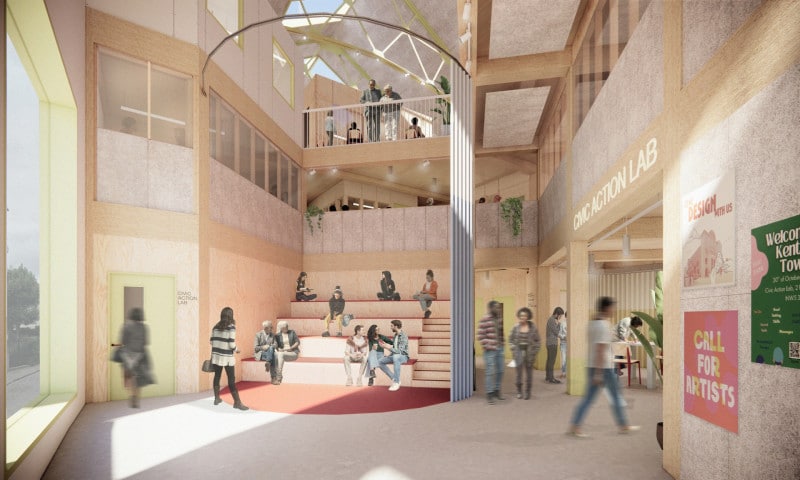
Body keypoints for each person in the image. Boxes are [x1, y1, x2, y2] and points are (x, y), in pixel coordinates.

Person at [569, 297, 639, 437]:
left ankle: (576, 425)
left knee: (594, 397)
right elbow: (600, 349)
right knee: (613, 395)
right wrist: (599, 374)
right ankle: (623, 425)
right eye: (612, 307)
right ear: (606, 308)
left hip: (592, 365)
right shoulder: (603, 325)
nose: (613, 310)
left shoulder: (591, 324)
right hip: (603, 368)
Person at [210, 307, 248, 410]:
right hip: (227, 358)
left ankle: (217, 398)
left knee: (217, 376)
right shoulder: (231, 327)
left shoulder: (215, 327)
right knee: (231, 380)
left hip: (216, 356)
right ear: (231, 315)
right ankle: (237, 403)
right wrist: (237, 349)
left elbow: (212, 342)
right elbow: (231, 344)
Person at [115, 307, 154, 408]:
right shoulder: (145, 327)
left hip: (127, 355)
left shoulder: (126, 326)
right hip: (140, 355)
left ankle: (131, 394)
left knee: (127, 377)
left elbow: (122, 342)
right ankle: (136, 396)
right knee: (139, 379)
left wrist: (114, 345)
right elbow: (146, 342)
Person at [509, 307, 541, 400]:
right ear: (519, 316)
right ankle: (519, 391)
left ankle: (528, 391)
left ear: (528, 317)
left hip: (529, 353)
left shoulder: (533, 327)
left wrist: (534, 352)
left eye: (525, 316)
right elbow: (510, 339)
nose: (523, 317)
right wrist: (513, 349)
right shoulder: (515, 327)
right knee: (518, 374)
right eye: (521, 315)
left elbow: (538, 341)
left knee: (529, 374)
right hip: (518, 353)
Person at [477, 301, 505, 404]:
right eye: (496, 308)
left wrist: (502, 345)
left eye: (499, 308)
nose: (498, 309)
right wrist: (488, 346)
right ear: (490, 308)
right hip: (490, 351)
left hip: (500, 349)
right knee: (490, 372)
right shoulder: (484, 319)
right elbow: (480, 336)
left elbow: (501, 334)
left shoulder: (499, 319)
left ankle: (497, 391)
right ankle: (490, 394)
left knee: (501, 370)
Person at [376, 319, 409, 391]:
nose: (390, 327)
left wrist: (388, 348)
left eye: (392, 326)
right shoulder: (395, 336)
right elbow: (394, 348)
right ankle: (394, 378)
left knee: (396, 357)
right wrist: (388, 353)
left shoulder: (404, 336)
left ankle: (396, 383)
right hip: (394, 355)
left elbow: (400, 351)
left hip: (403, 356)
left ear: (396, 326)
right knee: (379, 361)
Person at [273, 320, 300, 385]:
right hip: (282, 353)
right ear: (281, 329)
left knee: (280, 354)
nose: (287, 328)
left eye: (287, 326)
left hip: (293, 353)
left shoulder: (292, 332)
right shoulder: (277, 335)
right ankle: (277, 376)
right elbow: (276, 347)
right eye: (285, 327)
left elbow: (297, 342)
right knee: (277, 354)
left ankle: (278, 378)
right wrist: (277, 347)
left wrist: (290, 348)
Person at [545, 307, 565, 384]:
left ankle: (548, 376)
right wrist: (559, 325)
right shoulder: (552, 320)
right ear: (556, 314)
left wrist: (558, 324)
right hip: (552, 343)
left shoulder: (552, 320)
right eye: (560, 316)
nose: (560, 317)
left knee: (549, 360)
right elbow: (556, 332)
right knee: (551, 361)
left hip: (550, 343)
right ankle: (551, 378)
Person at [559, 311, 568, 379]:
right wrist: (563, 337)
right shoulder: (562, 324)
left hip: (571, 345)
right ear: (566, 316)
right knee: (564, 359)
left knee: (569, 359)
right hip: (563, 344)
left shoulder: (573, 324)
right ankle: (563, 373)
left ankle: (568, 373)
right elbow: (559, 334)